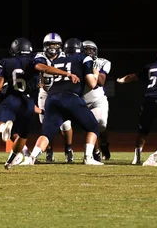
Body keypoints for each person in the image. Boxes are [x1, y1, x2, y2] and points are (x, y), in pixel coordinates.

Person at [0, 37, 79, 170]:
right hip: (27, 103)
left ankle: (3, 128)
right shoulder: (35, 59)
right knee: (22, 135)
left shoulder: (6, 62)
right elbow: (43, 68)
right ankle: (11, 160)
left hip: (11, 99)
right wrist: (67, 74)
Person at [20, 37, 103, 167]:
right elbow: (92, 83)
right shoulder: (84, 58)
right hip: (71, 97)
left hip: (52, 98)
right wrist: (96, 73)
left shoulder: (56, 61)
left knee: (46, 133)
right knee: (93, 127)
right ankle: (88, 157)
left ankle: (31, 158)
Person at [35, 32, 75, 163]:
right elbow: (41, 68)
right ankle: (49, 151)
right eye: (49, 44)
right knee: (46, 124)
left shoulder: (65, 56)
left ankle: (68, 149)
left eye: (55, 44)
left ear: (60, 46)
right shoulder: (40, 56)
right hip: (45, 92)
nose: (52, 47)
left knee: (65, 124)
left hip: (60, 92)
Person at [82, 40, 112, 161]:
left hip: (98, 99)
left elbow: (101, 81)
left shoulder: (102, 62)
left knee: (102, 124)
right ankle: (95, 151)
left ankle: (104, 144)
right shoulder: (77, 62)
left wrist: (91, 69)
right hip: (81, 99)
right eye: (86, 50)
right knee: (91, 125)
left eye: (92, 50)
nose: (89, 52)